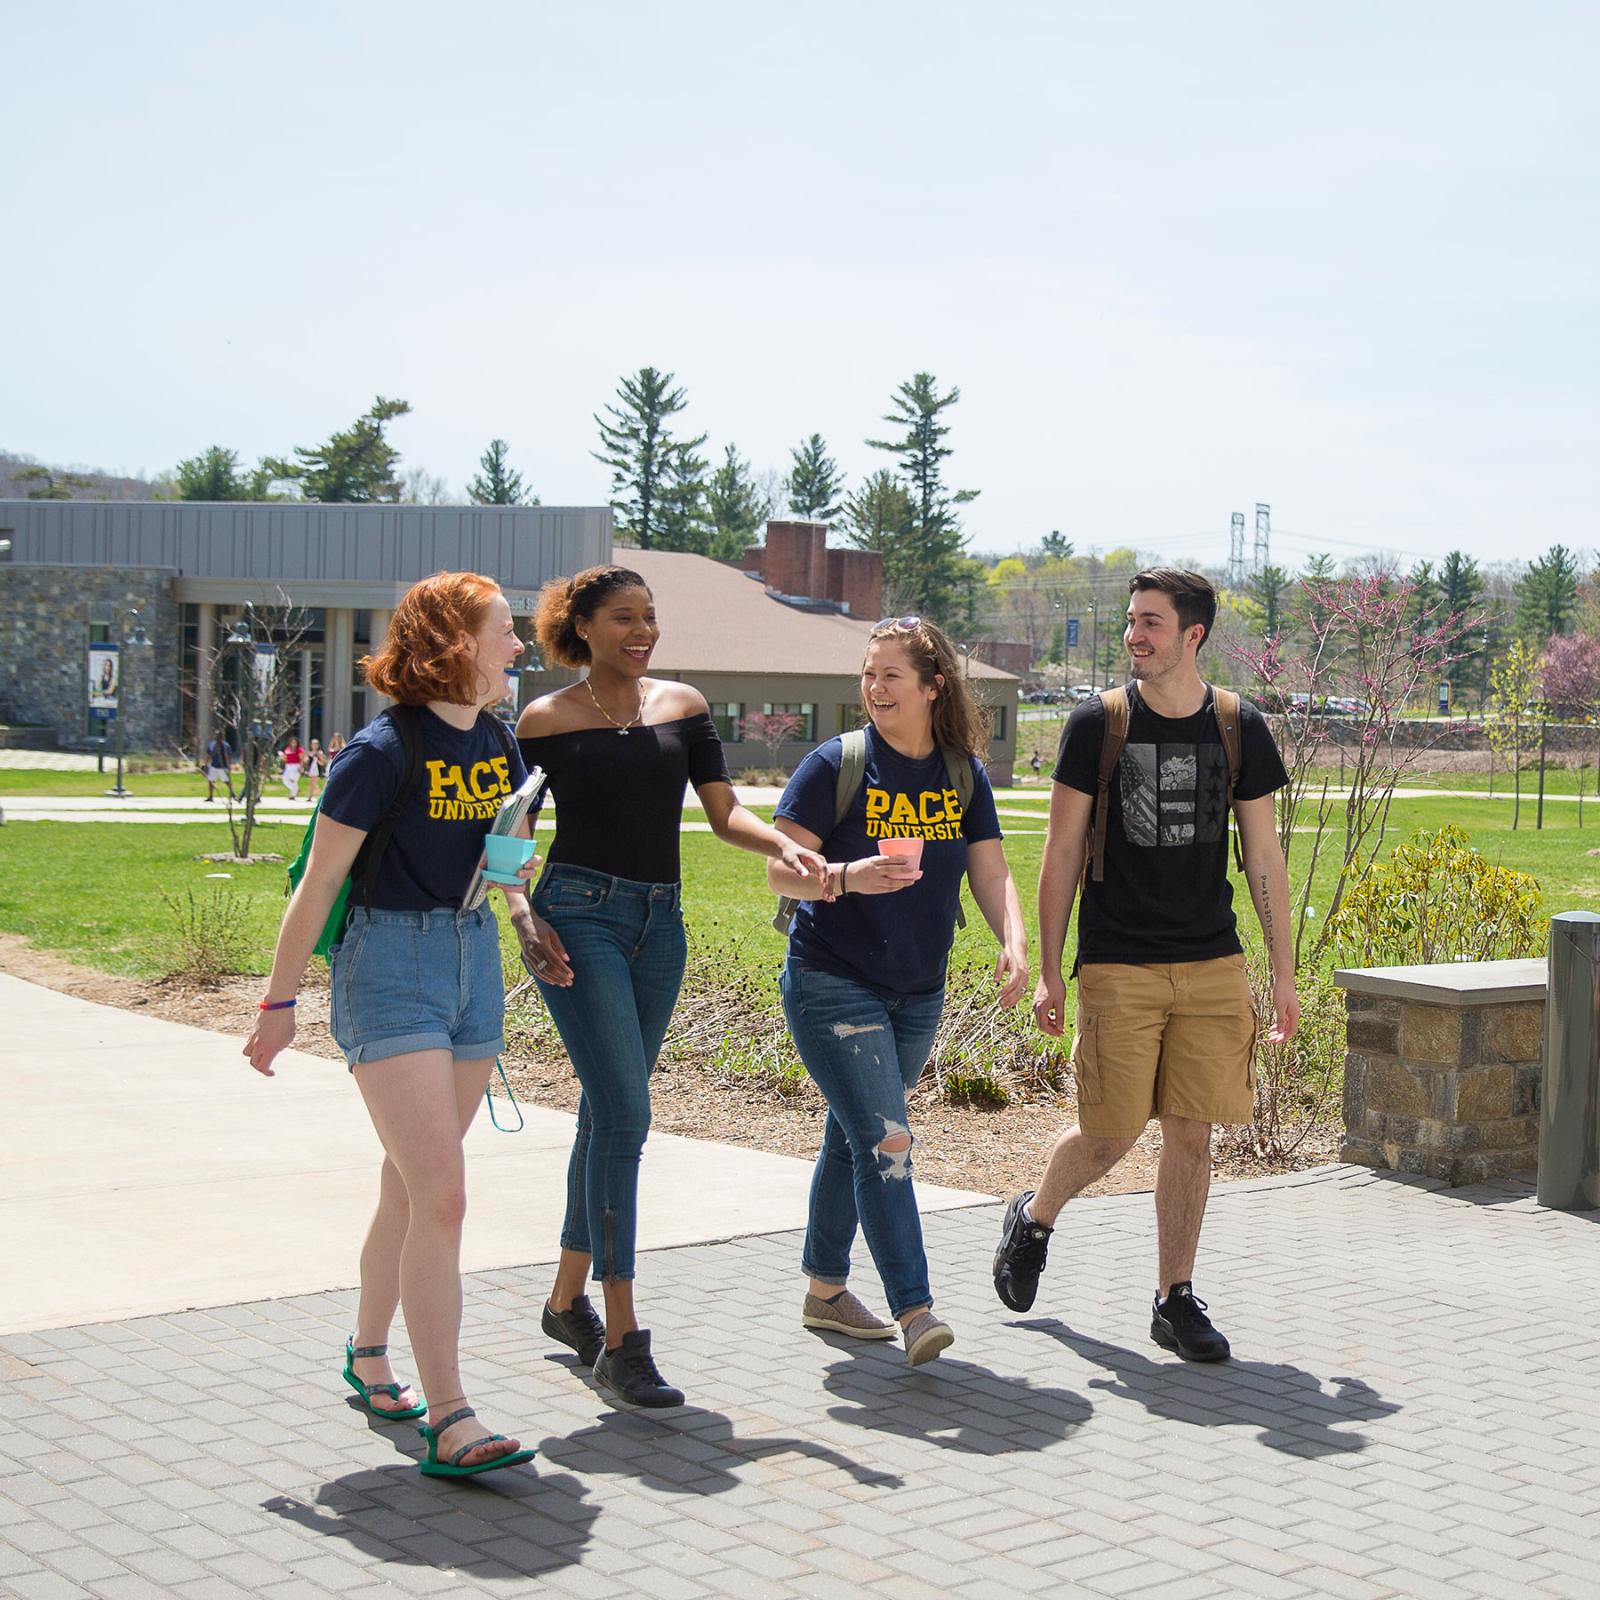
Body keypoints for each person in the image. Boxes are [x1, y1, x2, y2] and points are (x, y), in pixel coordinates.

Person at [242, 571, 545, 1479]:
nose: (519, 647)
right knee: (443, 1195)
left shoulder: (496, 736)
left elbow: (503, 858)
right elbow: (318, 883)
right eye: (504, 631)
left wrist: (527, 924)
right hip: (390, 967)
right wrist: (279, 1002)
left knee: (413, 1189)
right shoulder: (378, 751)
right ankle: (450, 1417)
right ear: (455, 641)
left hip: (470, 957)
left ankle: (369, 1353)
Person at [514, 565, 827, 1408]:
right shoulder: (544, 720)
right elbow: (512, 829)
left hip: (662, 924)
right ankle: (622, 1337)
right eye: (624, 618)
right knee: (625, 1114)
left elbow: (723, 813)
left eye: (649, 617)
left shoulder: (683, 707)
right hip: (576, 916)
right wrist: (519, 913)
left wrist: (781, 847)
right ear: (581, 628)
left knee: (606, 1111)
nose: (642, 630)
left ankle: (561, 1300)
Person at [992, 569, 1297, 1362]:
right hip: (1120, 961)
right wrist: (1053, 969)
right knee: (1110, 1131)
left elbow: (1264, 857)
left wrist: (1284, 974)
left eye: (1151, 623)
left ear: (1193, 635)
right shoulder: (1100, 724)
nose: (1135, 635)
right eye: (1131, 621)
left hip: (1211, 962)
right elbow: (1060, 851)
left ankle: (1174, 1298)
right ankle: (1034, 1215)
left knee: (1192, 1135)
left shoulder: (1239, 727)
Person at [768, 617, 1028, 1365]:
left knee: (854, 1134)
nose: (875, 688)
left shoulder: (959, 772)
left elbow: (989, 867)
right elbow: (780, 868)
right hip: (831, 979)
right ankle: (914, 1308)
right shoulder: (835, 764)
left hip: (919, 988)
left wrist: (1011, 939)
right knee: (886, 1141)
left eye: (892, 676)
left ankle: (823, 1291)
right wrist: (846, 878)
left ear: (932, 686)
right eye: (868, 674)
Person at [202, 732, 234, 802]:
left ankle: (232, 793)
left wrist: (229, 766)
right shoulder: (211, 744)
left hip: (223, 766)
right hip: (214, 766)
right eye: (216, 736)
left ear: (221, 737)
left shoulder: (226, 745)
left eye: (219, 736)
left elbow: (229, 756)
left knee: (226, 781)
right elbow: (209, 755)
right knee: (211, 781)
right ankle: (210, 796)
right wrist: (206, 764)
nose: (217, 737)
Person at [282, 737, 306, 801]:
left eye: (295, 742)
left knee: (293, 780)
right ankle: (296, 789)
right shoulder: (287, 749)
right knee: (285, 780)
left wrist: (301, 767)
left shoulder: (299, 749)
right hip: (288, 766)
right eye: (292, 742)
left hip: (296, 766)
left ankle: (292, 795)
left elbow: (302, 759)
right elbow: (285, 758)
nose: (293, 744)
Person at [303, 737, 326, 802]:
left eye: (316, 744)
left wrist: (318, 760)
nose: (314, 745)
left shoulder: (320, 752)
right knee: (312, 783)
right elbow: (306, 761)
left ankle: (311, 797)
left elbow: (323, 763)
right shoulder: (309, 752)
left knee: (313, 783)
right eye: (313, 744)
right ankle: (320, 796)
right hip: (311, 769)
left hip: (317, 769)